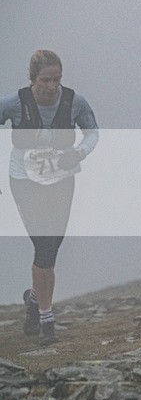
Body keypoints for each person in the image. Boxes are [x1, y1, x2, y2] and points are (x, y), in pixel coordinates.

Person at [0, 50, 99, 346]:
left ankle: (33, 299)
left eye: (57, 79)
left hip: (61, 181)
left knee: (51, 246)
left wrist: (78, 153)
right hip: (24, 181)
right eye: (45, 80)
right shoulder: (15, 103)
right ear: (33, 79)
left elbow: (93, 133)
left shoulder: (74, 102)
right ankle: (46, 319)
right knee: (43, 245)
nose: (51, 86)